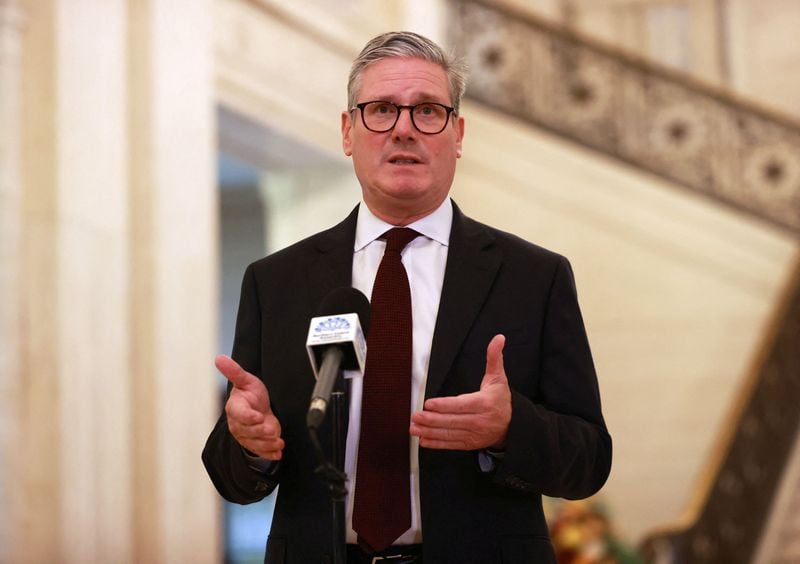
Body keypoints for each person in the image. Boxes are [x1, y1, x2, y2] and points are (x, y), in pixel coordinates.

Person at [203, 31, 612, 564]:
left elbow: (589, 459)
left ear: (457, 134)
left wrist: (511, 429)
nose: (403, 129)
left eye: (427, 111)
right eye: (380, 110)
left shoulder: (534, 277)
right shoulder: (276, 281)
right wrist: (250, 444)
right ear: (348, 132)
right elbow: (231, 476)